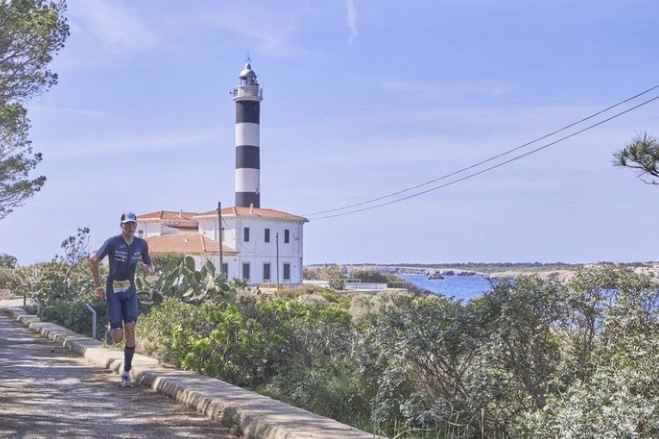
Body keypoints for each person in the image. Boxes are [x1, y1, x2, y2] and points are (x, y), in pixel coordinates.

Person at [91, 212, 154, 387]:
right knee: (118, 338)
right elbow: (94, 261)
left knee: (131, 329)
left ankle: (126, 372)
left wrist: (147, 269)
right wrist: (98, 287)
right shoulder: (113, 242)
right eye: (127, 224)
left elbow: (151, 267)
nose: (130, 227)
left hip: (130, 292)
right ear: (121, 226)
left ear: (136, 225)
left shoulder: (141, 244)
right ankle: (111, 330)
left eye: (133, 224)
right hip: (114, 292)